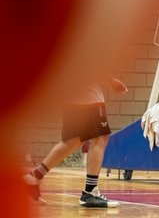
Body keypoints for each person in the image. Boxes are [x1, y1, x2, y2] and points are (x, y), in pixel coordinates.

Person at [23, 78, 128, 208]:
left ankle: (33, 177)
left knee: (73, 140)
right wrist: (111, 80)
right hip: (88, 92)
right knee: (100, 137)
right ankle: (90, 192)